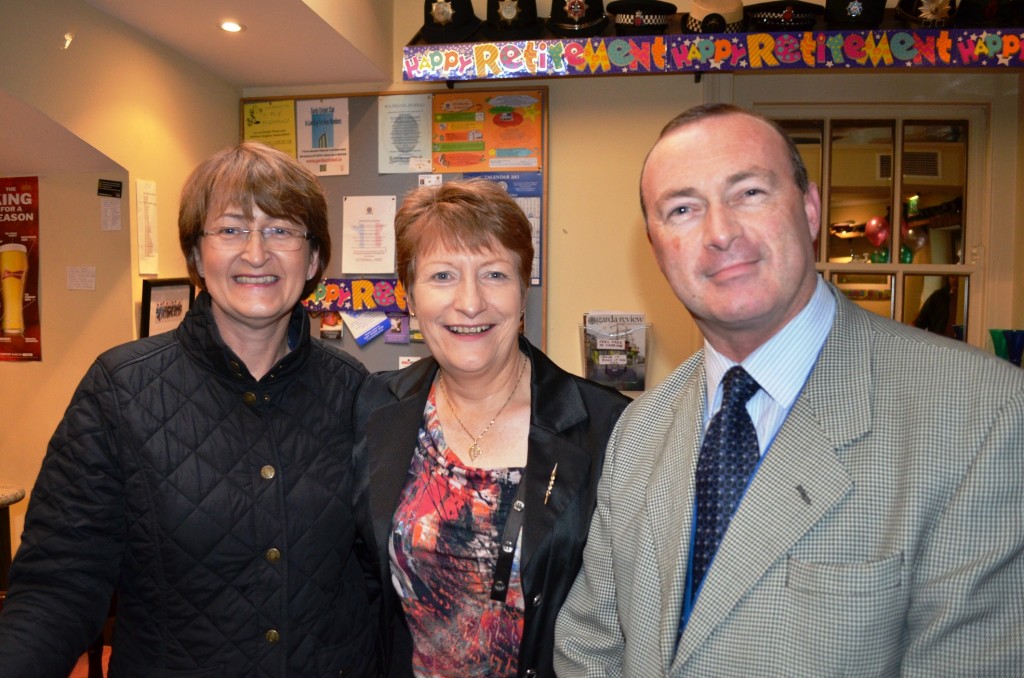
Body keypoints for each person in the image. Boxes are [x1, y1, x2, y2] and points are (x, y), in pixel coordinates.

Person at [554, 104, 1024, 676]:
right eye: (682, 209)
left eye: (749, 192)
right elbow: (591, 644)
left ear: (809, 208)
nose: (721, 232)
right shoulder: (639, 426)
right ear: (657, 250)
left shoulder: (983, 416)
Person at [0, 142, 379, 676]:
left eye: (281, 230)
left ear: (314, 257)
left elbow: (376, 573)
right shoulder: (119, 390)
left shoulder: (354, 392)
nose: (255, 252)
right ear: (197, 256)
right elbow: (58, 584)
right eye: (230, 229)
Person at [353, 178, 630, 677]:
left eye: (495, 274)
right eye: (441, 276)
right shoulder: (375, 407)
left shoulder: (608, 428)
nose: (470, 302)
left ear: (524, 290)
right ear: (409, 297)